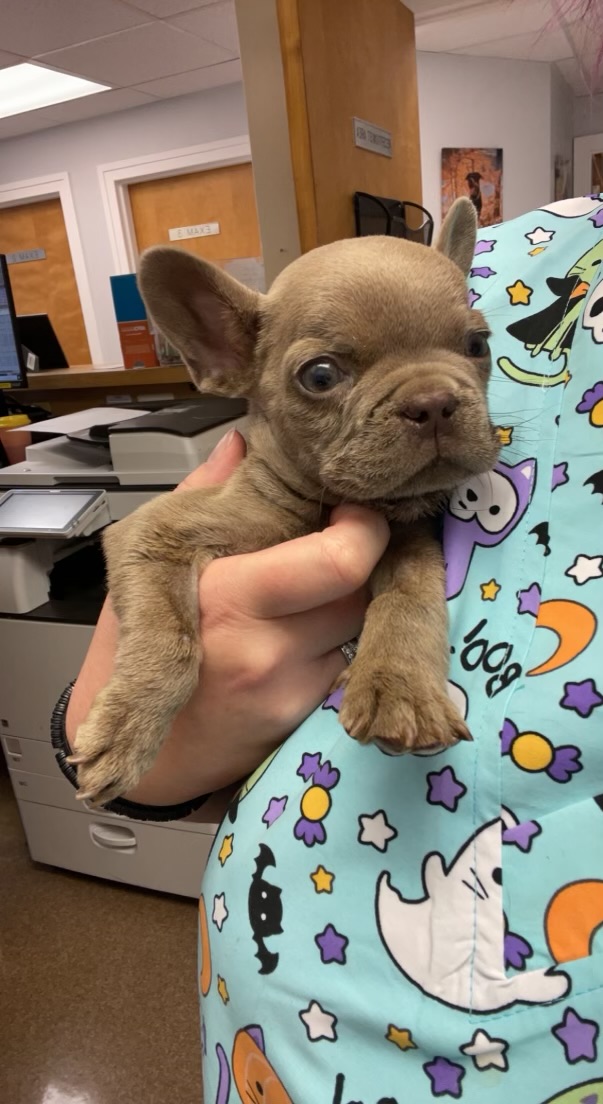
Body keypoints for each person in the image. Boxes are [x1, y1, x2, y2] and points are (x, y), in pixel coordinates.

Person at [57, 196, 603, 1103]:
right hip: (283, 1015)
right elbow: (149, 541)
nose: (434, 398)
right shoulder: (537, 251)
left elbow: (414, 551)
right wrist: (147, 690)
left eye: (467, 348)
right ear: (225, 353)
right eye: (323, 377)